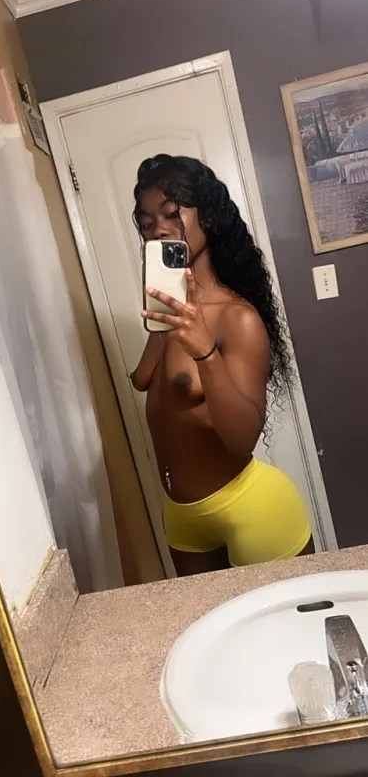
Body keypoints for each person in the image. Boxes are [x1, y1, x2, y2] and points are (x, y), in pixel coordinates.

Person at [131, 154, 313, 577]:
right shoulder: (171, 315)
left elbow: (242, 439)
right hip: (182, 516)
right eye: (146, 221)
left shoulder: (237, 318)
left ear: (208, 218)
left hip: (247, 505)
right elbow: (143, 379)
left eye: (171, 214)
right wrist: (164, 317)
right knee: (210, 619)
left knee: (291, 620)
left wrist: (204, 352)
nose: (158, 229)